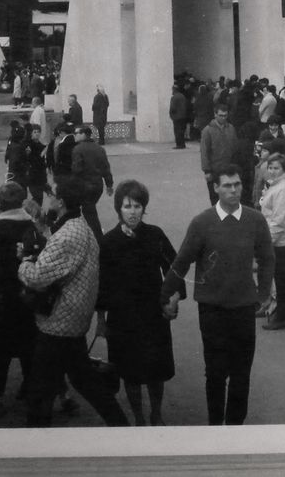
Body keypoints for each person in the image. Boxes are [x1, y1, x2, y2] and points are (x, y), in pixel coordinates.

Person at [160, 165, 274, 425]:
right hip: (212, 310)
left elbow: (267, 258)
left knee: (241, 373)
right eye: (227, 185)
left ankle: (234, 428)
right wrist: (165, 294)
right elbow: (181, 262)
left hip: (244, 307)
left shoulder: (255, 220)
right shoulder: (202, 222)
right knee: (215, 373)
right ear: (216, 188)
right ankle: (215, 426)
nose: (233, 190)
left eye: (237, 185)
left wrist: (265, 292)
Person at [16, 174, 129, 427]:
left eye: (51, 194)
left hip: (59, 323)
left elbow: (37, 277)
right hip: (74, 319)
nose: (47, 197)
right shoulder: (79, 224)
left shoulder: (69, 235)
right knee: (83, 380)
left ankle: (35, 441)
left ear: (61, 201)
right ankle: (121, 426)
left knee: (40, 390)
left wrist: (24, 260)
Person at [96, 179, 177, 426]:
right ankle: (139, 417)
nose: (133, 212)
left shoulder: (155, 235)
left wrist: (173, 299)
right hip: (122, 318)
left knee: (156, 370)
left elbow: (174, 268)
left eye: (138, 206)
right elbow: (102, 284)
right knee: (130, 372)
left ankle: (156, 413)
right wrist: (101, 320)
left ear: (144, 208)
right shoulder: (108, 242)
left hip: (153, 313)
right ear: (118, 209)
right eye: (127, 206)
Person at [0, 182, 39, 414]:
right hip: (28, 299)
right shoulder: (31, 226)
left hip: (3, 302)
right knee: (29, 349)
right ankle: (31, 389)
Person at [258, 154, 285, 330]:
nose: (272, 171)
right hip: (282, 238)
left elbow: (279, 219)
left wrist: (267, 243)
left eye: (276, 168)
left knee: (282, 280)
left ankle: (283, 316)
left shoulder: (282, 189)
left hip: (282, 240)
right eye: (270, 168)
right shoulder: (277, 185)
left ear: (284, 170)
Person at [70, 124, 114, 239]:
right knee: (89, 210)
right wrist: (109, 185)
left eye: (77, 133)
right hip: (98, 186)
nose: (75, 135)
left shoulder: (77, 149)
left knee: (89, 213)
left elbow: (77, 170)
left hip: (84, 186)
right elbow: (106, 168)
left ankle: (97, 237)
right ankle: (93, 234)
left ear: (84, 134)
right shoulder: (99, 148)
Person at [200, 103, 239, 205]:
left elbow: (235, 148)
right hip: (214, 169)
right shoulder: (207, 130)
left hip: (228, 168)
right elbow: (204, 152)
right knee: (215, 198)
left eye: (225, 115)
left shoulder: (231, 128)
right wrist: (207, 170)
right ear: (215, 114)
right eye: (221, 115)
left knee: (229, 196)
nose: (223, 118)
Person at [169, 84, 189, 150]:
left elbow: (173, 108)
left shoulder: (174, 97)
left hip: (177, 117)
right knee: (182, 131)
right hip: (183, 116)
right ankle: (182, 144)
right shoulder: (182, 96)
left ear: (174, 90)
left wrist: (171, 115)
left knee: (177, 131)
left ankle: (179, 144)